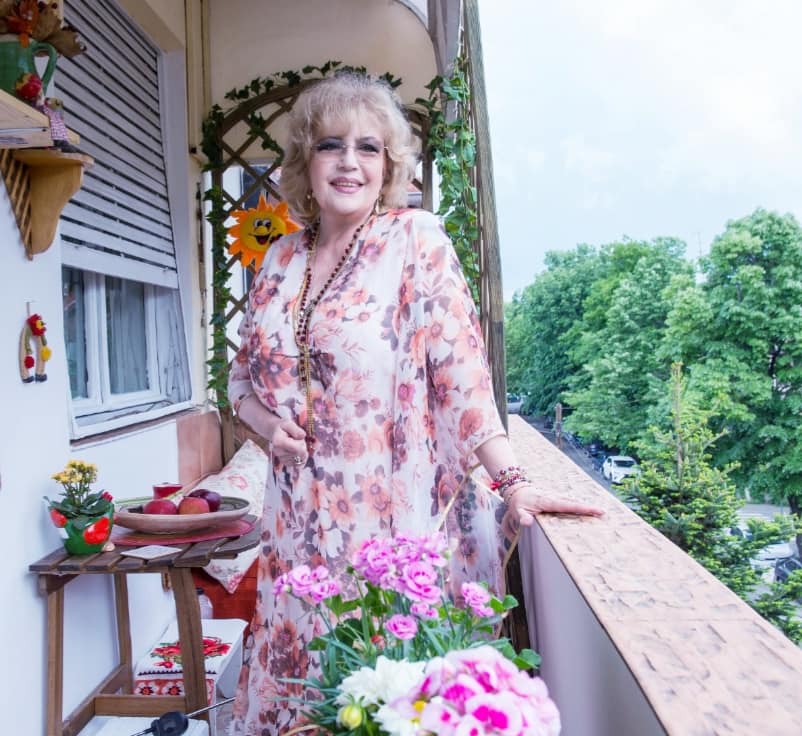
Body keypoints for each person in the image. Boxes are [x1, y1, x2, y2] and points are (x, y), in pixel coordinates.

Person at [227, 71, 603, 735]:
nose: (349, 162)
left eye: (368, 147)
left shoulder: (414, 240)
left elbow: (463, 377)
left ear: (388, 165)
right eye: (331, 145)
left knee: (379, 697)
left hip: (382, 532)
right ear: (306, 161)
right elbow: (240, 381)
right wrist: (268, 426)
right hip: (292, 531)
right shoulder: (280, 259)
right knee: (302, 699)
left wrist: (513, 481)